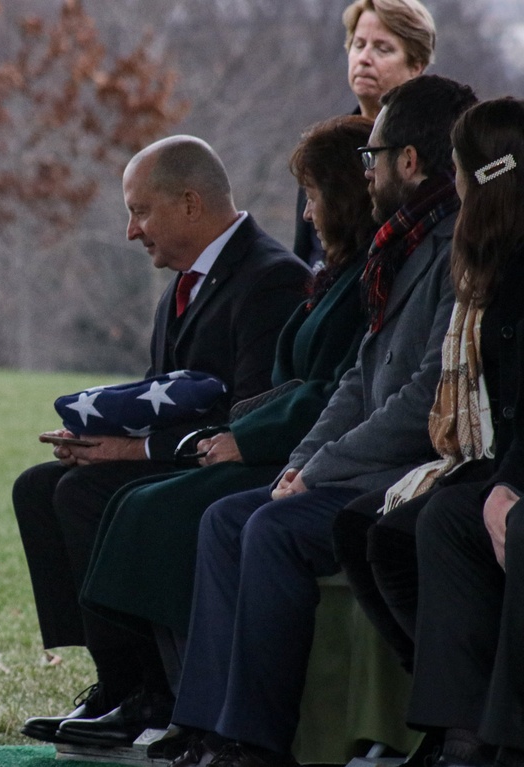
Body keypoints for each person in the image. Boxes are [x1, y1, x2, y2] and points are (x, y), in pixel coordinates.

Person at [161, 74, 477, 767]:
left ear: (410, 162)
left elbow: (425, 394)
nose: (367, 172)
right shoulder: (401, 245)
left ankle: (255, 740)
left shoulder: (457, 244)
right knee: (225, 519)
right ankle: (207, 726)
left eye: (375, 154)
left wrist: (321, 471)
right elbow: (359, 378)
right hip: (357, 463)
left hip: (408, 470)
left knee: (273, 528)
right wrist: (299, 461)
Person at [64, 115, 376, 754]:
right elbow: (284, 389)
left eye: (313, 198)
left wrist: (237, 439)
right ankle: (140, 689)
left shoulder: (286, 277)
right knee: (77, 489)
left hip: (300, 459)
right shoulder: (333, 278)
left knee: (155, 504)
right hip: (265, 445)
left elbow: (337, 391)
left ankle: (182, 704)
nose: (307, 217)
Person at [14, 136, 310, 746]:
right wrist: (98, 432)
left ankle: (151, 690)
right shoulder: (184, 282)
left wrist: (130, 452)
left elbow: (249, 418)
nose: (131, 231)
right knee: (40, 486)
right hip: (185, 457)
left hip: (240, 467)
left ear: (191, 204)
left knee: (84, 493)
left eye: (140, 211)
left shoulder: (273, 279)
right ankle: (116, 679)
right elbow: (165, 392)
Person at [347, 97, 524, 767]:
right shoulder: (487, 257)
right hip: (492, 457)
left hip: (502, 462)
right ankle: (457, 715)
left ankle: (468, 736)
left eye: (461, 169)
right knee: (374, 528)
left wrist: (506, 481)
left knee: (443, 522)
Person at [294, 0, 435, 267]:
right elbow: (303, 254)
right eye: (358, 45)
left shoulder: (442, 140)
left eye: (383, 49)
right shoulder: (323, 148)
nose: (365, 58)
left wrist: (489, 172)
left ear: (416, 65)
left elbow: (503, 166)